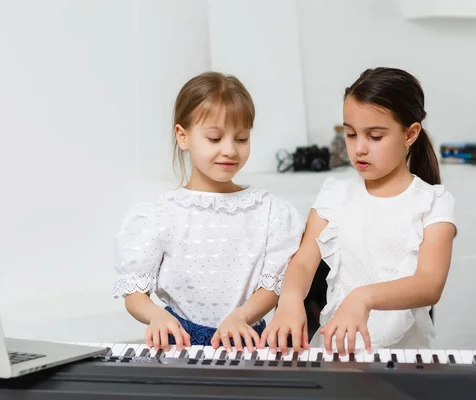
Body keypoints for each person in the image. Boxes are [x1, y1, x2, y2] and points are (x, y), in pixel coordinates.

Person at [260, 67, 457, 356]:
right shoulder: (335, 194)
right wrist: (289, 300)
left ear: (410, 134)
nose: (359, 148)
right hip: (337, 352)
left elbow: (430, 283)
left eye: (375, 136)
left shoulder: (433, 201)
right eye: (351, 134)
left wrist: (363, 297)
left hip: (406, 359)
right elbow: (303, 262)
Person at [112, 71, 305, 352]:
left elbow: (272, 288)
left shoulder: (269, 212)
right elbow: (135, 294)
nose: (230, 150)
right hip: (179, 346)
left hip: (248, 344)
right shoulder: (158, 215)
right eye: (215, 138)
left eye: (241, 139)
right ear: (183, 136)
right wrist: (156, 316)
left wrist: (241, 317)